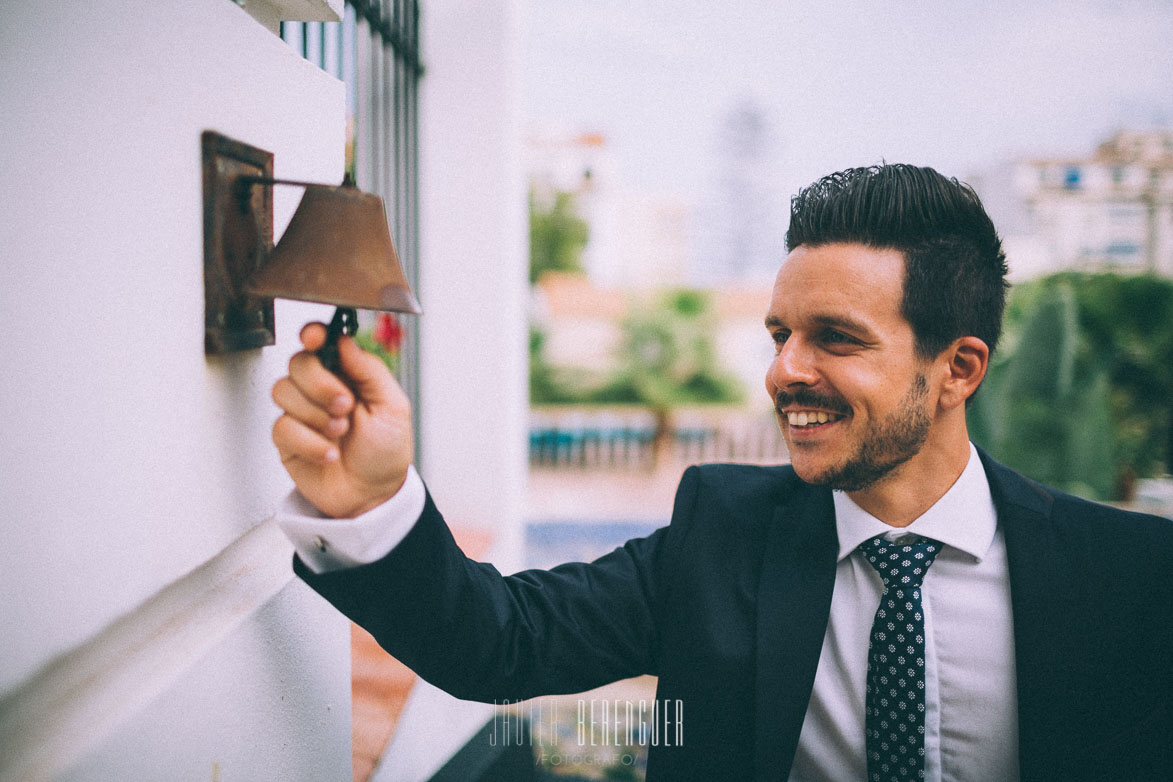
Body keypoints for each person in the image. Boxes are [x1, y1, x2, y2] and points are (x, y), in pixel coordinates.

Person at [271, 164, 1172, 782]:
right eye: (780, 334)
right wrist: (372, 504)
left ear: (958, 370)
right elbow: (495, 642)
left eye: (837, 338)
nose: (785, 370)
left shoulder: (1129, 574)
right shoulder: (722, 533)